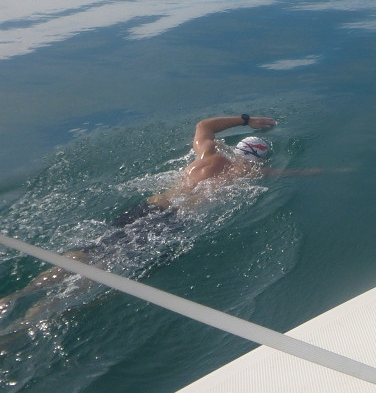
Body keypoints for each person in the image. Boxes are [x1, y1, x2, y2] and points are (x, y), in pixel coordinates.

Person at [0, 114, 277, 323]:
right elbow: (294, 173)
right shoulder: (247, 173)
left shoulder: (208, 154)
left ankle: (14, 297)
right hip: (173, 220)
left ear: (238, 147)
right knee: (103, 267)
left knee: (89, 252)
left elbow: (204, 125)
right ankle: (29, 321)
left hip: (149, 207)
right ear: (256, 159)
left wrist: (247, 119)